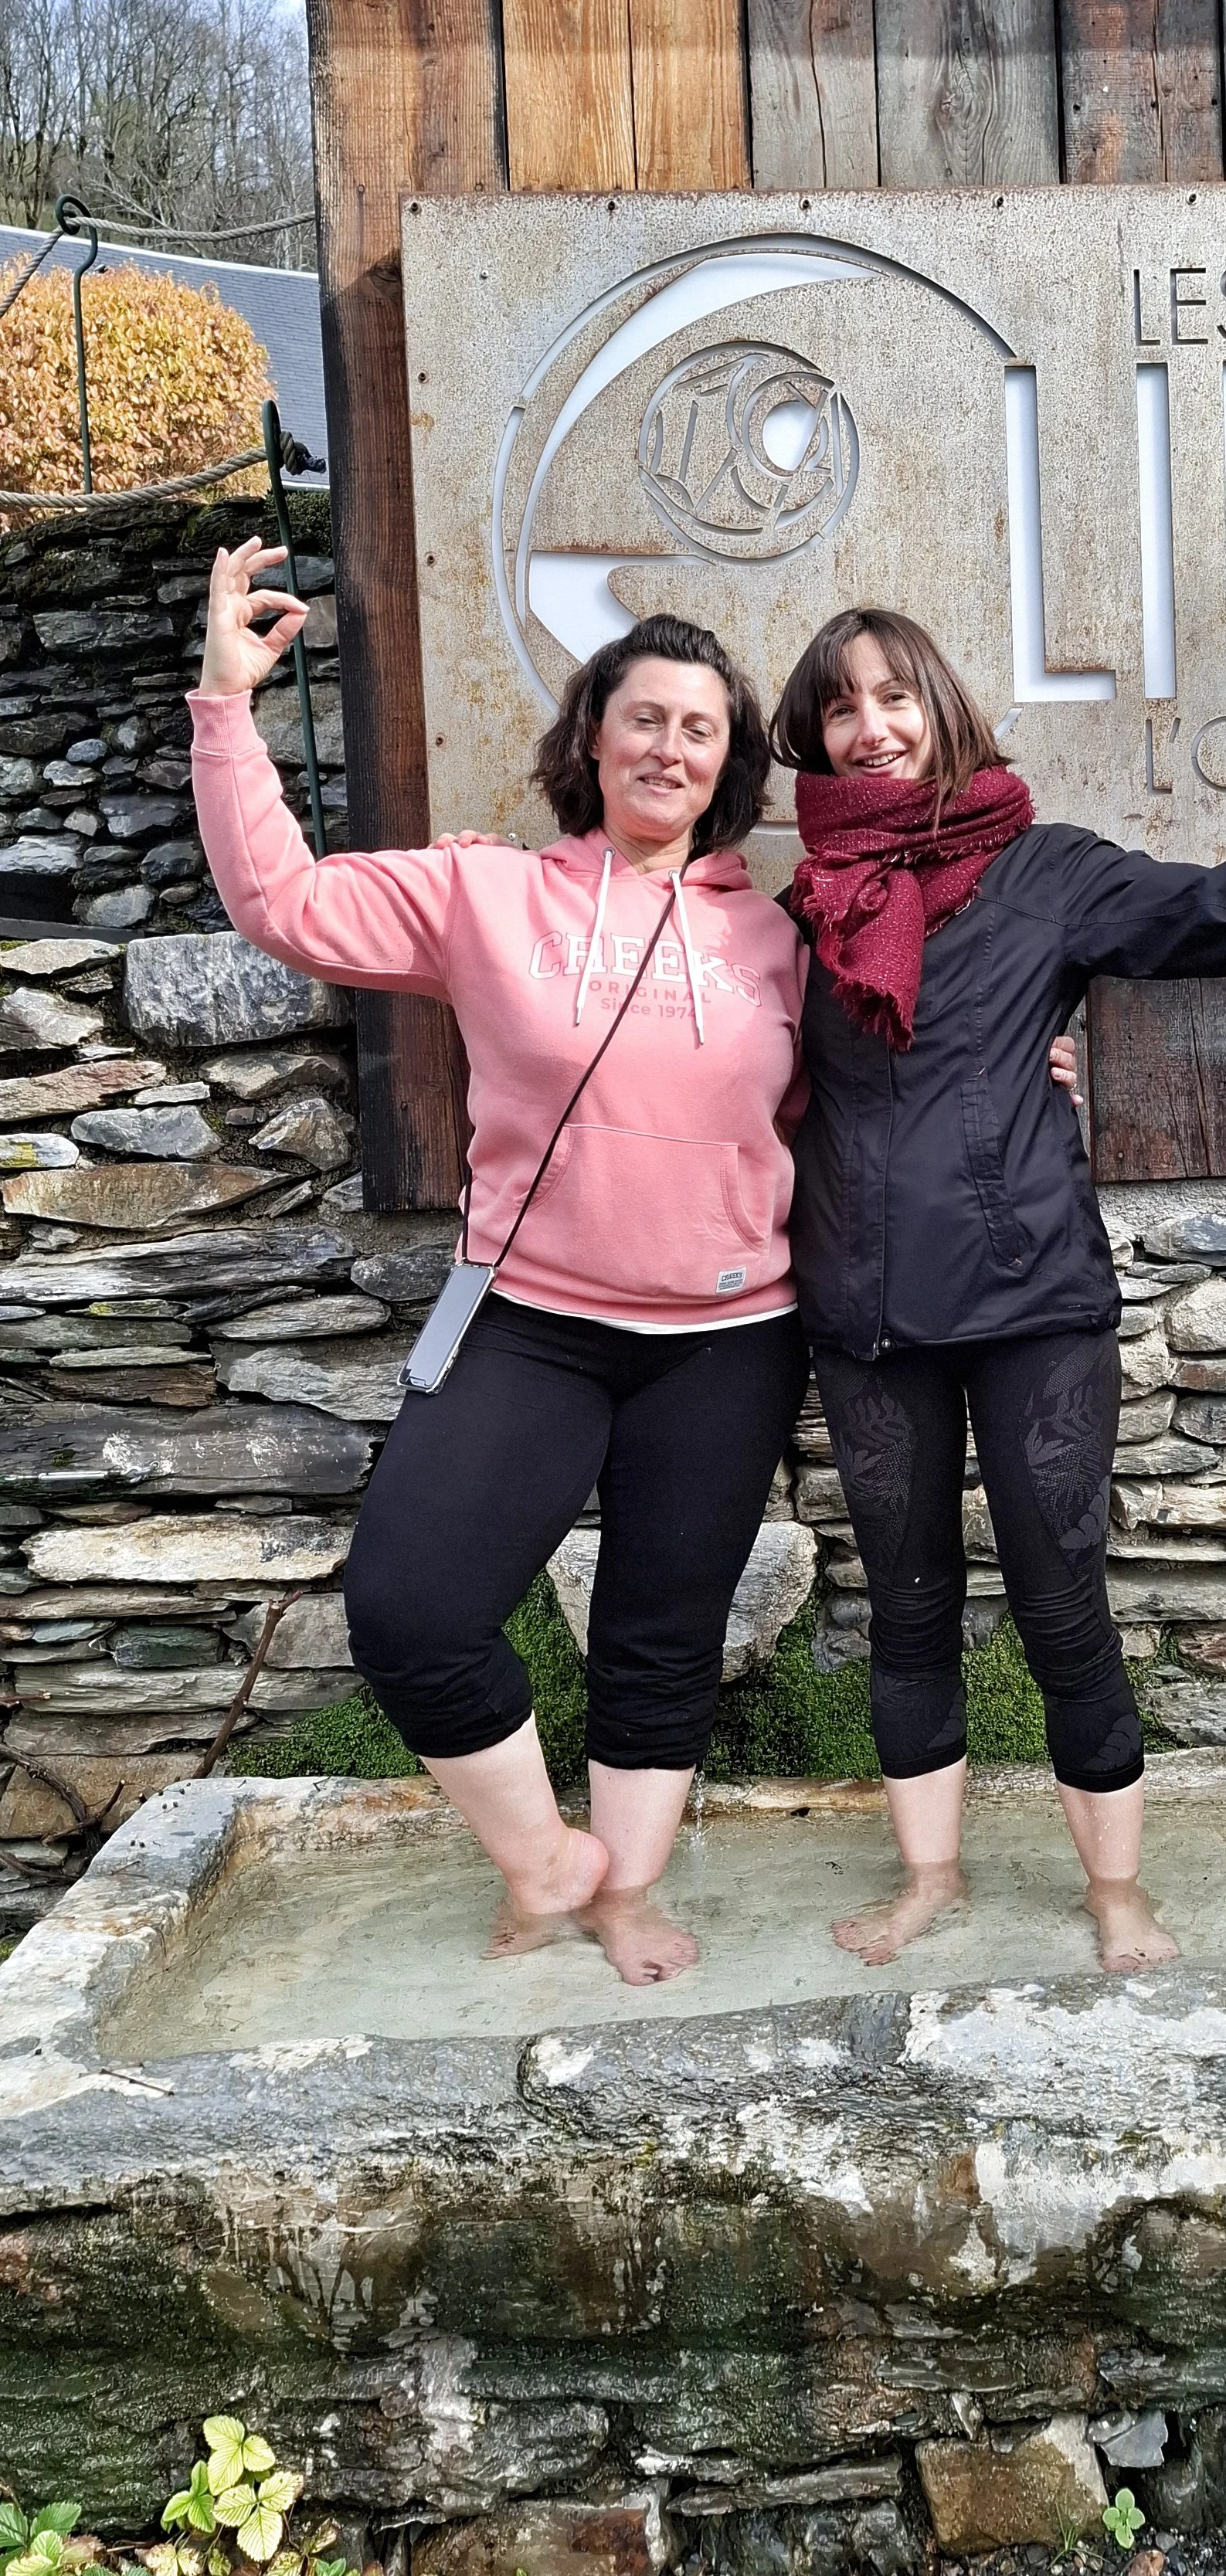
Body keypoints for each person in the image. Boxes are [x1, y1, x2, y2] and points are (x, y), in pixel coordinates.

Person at [773, 562, 1226, 1973]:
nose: (870, 728)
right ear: (812, 738)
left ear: (942, 708)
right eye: (840, 710)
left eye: (895, 696)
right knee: (905, 1613)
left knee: (1059, 1601)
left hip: (1032, 1309)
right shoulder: (802, 909)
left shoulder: (1048, 871)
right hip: (864, 1315)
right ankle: (930, 1880)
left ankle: (1113, 1893)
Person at [190, 544, 813, 1985]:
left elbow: (842, 1100)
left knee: (660, 1638)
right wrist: (228, 706)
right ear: (591, 738)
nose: (668, 744)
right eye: (643, 716)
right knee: (410, 1608)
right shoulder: (487, 898)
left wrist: (1029, 1066)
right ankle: (547, 1863)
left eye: (699, 728)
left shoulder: (775, 941)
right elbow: (279, 905)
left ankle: (628, 1892)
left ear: (727, 771)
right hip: (529, 1323)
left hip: (728, 1338)